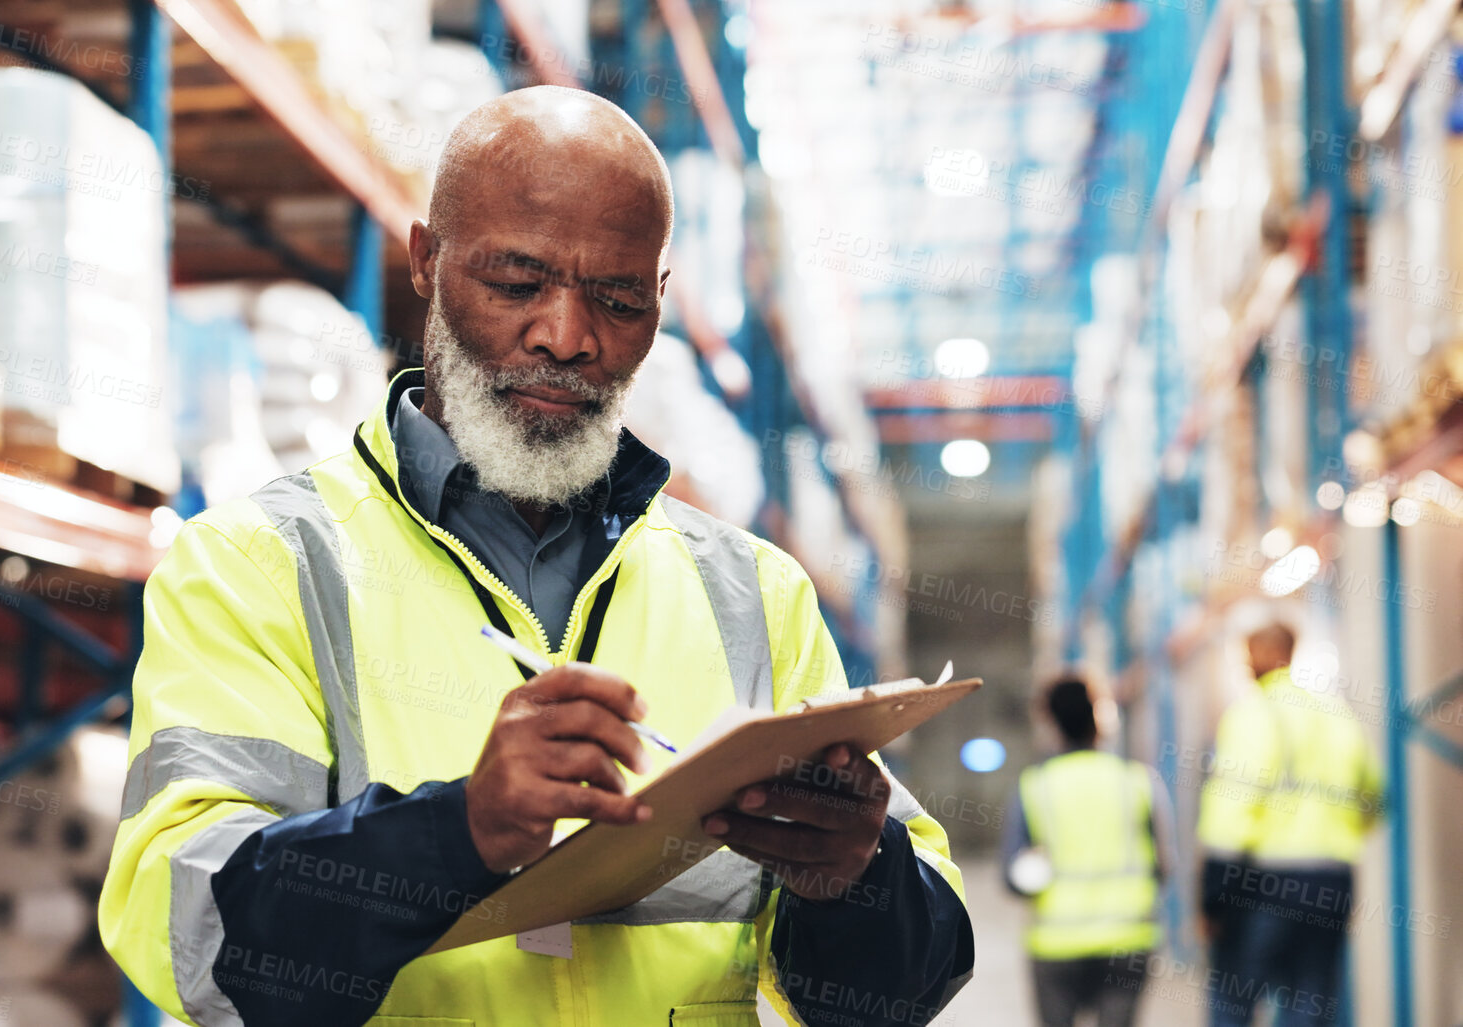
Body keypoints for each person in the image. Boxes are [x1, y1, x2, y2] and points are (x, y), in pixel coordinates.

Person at [99, 86, 974, 1026]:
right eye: (516, 283)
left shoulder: (755, 593)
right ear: (426, 263)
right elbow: (185, 929)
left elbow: (889, 998)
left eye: (619, 299)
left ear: (660, 300)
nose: (567, 336)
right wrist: (456, 832)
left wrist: (855, 876)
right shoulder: (256, 563)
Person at [1198, 622, 1382, 1027]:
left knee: (1234, 996)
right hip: (1330, 881)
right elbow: (1373, 796)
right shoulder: (1336, 713)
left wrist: (1212, 896)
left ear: (1256, 657)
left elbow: (1231, 812)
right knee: (1309, 998)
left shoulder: (1252, 713)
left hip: (1264, 881)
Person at [1002, 676, 1171, 1027]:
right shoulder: (1138, 781)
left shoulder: (1034, 785)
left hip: (1056, 942)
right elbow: (1165, 864)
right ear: (1099, 719)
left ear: (1051, 721)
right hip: (1129, 938)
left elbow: (1012, 876)